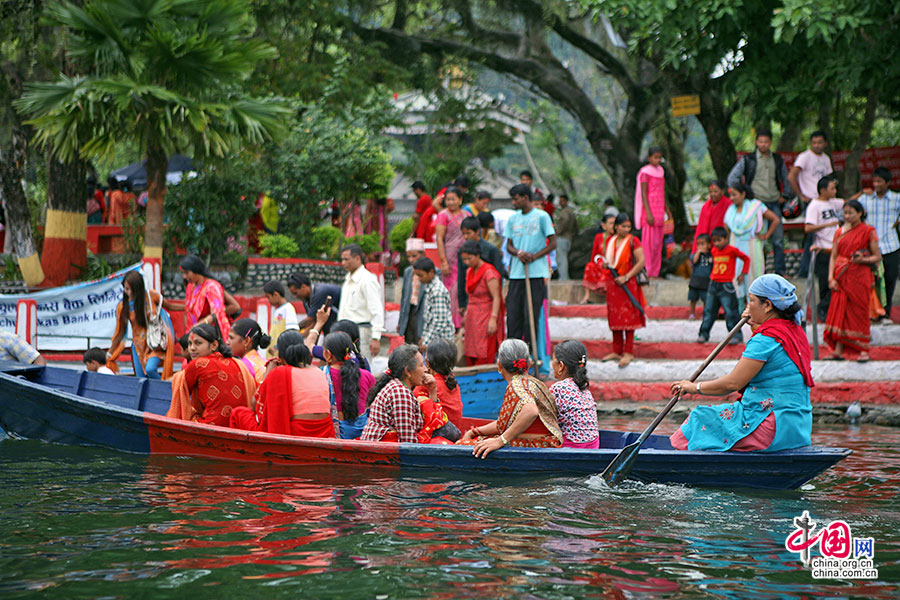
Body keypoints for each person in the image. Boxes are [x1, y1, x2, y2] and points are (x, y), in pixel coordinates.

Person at [670, 275, 813, 452]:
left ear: (767, 305)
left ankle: (670, 461)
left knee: (699, 417)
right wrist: (755, 321)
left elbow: (732, 383)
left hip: (769, 428)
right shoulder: (795, 330)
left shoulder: (765, 339)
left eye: (751, 301)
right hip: (799, 428)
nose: (747, 307)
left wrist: (693, 387)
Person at [458, 339, 563, 457]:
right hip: (549, 442)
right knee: (480, 439)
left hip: (540, 445)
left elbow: (531, 410)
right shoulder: (534, 382)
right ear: (528, 363)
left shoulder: (516, 385)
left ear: (499, 364)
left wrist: (500, 441)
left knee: (461, 444)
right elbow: (505, 423)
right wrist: (475, 432)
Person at [230, 335, 335, 438]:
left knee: (238, 413)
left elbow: (254, 405)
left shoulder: (279, 373)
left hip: (295, 435)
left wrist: (267, 374)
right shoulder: (318, 371)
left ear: (279, 356)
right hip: (324, 433)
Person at [727, 129, 795, 275]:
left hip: (773, 201)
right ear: (756, 142)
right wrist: (746, 194)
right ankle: (759, 271)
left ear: (771, 143)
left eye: (766, 142)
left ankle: (780, 271)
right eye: (760, 141)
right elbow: (732, 178)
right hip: (755, 205)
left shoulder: (777, 159)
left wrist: (786, 195)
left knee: (778, 239)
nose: (763, 144)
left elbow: (785, 177)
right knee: (757, 240)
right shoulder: (748, 160)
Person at [824, 200, 882, 362]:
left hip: (859, 276)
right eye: (845, 213)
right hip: (840, 275)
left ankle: (863, 350)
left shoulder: (868, 231)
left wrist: (863, 259)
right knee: (840, 311)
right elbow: (834, 256)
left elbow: (877, 256)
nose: (847, 216)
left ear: (860, 213)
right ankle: (838, 350)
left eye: (851, 213)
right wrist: (830, 277)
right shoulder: (839, 231)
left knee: (860, 312)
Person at [505, 183, 556, 352]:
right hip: (516, 274)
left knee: (530, 319)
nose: (514, 202)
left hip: (536, 273)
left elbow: (552, 243)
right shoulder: (513, 219)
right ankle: (512, 357)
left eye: (516, 199)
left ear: (525, 198)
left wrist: (534, 256)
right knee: (513, 318)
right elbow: (509, 245)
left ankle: (530, 357)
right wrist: (519, 253)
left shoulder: (542, 216)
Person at [180, 323, 256, 427]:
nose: (192, 348)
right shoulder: (236, 362)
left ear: (214, 345)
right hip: (238, 424)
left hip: (210, 426)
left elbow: (182, 389)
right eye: (189, 343)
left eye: (198, 343)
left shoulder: (198, 364)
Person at [360, 344, 437, 443]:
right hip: (381, 453)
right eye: (421, 365)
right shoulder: (400, 393)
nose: (426, 369)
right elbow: (408, 442)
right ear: (408, 371)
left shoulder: (401, 388)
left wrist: (432, 390)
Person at [107, 270, 175, 379]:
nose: (125, 292)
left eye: (128, 289)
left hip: (154, 342)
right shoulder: (123, 307)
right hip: (138, 346)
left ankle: (166, 389)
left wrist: (187, 307)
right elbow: (120, 332)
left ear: (137, 288)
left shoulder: (150, 296)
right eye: (124, 288)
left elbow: (169, 306)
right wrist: (109, 354)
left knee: (150, 369)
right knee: (141, 378)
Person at [852, 166, 900, 320]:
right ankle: (872, 312)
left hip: (891, 245)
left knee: (890, 280)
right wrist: (860, 193)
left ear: (887, 183)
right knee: (870, 281)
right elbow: (847, 209)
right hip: (870, 247)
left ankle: (885, 312)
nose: (876, 185)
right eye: (874, 181)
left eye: (879, 182)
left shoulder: (896, 198)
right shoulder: (865, 199)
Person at [600, 213, 647, 368]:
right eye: (623, 226)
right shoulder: (611, 240)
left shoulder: (634, 241)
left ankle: (628, 352)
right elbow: (608, 260)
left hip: (628, 283)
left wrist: (626, 277)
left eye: (628, 226)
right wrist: (606, 265)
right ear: (616, 227)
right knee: (615, 317)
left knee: (629, 318)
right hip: (613, 284)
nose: (626, 229)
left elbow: (641, 262)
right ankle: (616, 350)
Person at [723, 183, 778, 303]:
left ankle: (754, 307)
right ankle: (740, 309)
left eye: (734, 194)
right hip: (735, 245)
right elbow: (726, 228)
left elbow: (775, 219)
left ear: (743, 194)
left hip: (752, 245)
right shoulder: (730, 210)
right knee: (736, 276)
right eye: (730, 195)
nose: (731, 198)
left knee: (753, 275)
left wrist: (766, 235)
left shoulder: (755, 206)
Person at [164, 255, 234, 340]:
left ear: (196, 269)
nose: (184, 277)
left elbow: (216, 313)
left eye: (186, 273)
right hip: (194, 335)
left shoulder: (212, 287)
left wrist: (200, 324)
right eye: (182, 273)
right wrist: (168, 305)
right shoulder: (190, 286)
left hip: (208, 337)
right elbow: (188, 309)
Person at [697, 227, 749, 344]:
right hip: (713, 284)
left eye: (719, 240)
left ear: (726, 239)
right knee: (708, 311)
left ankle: (736, 336)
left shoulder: (732, 250)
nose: (716, 243)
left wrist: (743, 273)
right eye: (714, 241)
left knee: (730, 312)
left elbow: (746, 258)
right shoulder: (713, 251)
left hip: (726, 285)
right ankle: (703, 334)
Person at [804, 175, 844, 321]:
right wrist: (827, 225)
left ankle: (831, 311)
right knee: (825, 284)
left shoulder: (833, 202)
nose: (835, 191)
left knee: (839, 281)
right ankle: (823, 311)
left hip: (838, 249)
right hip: (824, 250)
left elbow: (849, 202)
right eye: (832, 188)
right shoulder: (814, 205)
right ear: (823, 190)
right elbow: (808, 228)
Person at [322, 331, 375, 438]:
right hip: (363, 437)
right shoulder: (367, 376)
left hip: (333, 438)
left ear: (328, 354)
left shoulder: (321, 376)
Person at [460, 240, 505, 366]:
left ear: (478, 255)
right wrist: (466, 314)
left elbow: (496, 297)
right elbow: (470, 296)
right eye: (464, 259)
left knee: (484, 350)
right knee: (470, 350)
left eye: (469, 259)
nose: (467, 262)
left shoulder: (489, 272)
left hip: (486, 315)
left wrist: (493, 319)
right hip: (472, 317)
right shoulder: (469, 271)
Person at [337, 244, 385, 360]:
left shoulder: (367, 280)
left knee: (362, 367)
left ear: (357, 258)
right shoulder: (348, 279)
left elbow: (377, 310)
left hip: (361, 331)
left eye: (346, 259)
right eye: (342, 259)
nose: (343, 263)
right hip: (344, 331)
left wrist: (376, 337)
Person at [549, 340, 599, 449]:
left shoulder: (558, 388)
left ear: (561, 366)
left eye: (553, 360)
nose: (552, 364)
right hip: (593, 446)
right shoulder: (584, 388)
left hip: (571, 447)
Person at [634, 146, 672, 278]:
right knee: (648, 244)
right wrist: (648, 213)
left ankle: (655, 271)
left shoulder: (661, 171)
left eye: (659, 157)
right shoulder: (645, 172)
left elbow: (663, 192)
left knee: (658, 244)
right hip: (649, 212)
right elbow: (644, 194)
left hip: (659, 211)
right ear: (649, 158)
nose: (658, 160)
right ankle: (648, 271)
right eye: (655, 157)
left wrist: (667, 210)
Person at [457, 216, 506, 314]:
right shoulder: (461, 252)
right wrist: (461, 303)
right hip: (470, 298)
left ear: (477, 231)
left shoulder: (491, 250)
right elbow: (461, 277)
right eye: (463, 234)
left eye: (468, 233)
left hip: (488, 297)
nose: (466, 237)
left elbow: (498, 276)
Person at [435, 186, 468, 327]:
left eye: (453, 199)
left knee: (463, 287)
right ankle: (452, 324)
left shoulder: (467, 215)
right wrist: (443, 261)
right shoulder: (443, 215)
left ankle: (463, 321)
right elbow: (439, 239)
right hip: (449, 257)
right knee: (451, 292)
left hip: (465, 257)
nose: (451, 202)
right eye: (448, 199)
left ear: (460, 200)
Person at [413, 338, 463, 430]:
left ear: (427, 362)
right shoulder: (453, 383)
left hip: (437, 436)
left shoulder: (426, 384)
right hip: (454, 434)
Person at [413, 257, 455, 349]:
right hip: (434, 340)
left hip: (442, 342)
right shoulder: (429, 287)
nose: (419, 279)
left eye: (421, 275)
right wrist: (424, 337)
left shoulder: (437, 291)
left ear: (431, 272)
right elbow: (429, 319)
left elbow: (439, 322)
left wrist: (426, 342)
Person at [398, 238, 428, 344]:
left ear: (423, 254)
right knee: (409, 343)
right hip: (410, 310)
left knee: (421, 341)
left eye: (414, 256)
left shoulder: (431, 271)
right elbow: (404, 297)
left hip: (423, 312)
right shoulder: (408, 272)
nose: (411, 259)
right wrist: (400, 321)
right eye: (409, 256)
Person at [580, 213, 615, 304]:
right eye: (611, 223)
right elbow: (594, 255)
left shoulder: (616, 238)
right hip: (599, 263)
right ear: (603, 226)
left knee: (608, 271)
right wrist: (598, 264)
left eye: (615, 224)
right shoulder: (598, 237)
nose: (613, 226)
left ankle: (609, 297)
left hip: (611, 265)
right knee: (589, 266)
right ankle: (587, 296)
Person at [691, 180, 731, 253]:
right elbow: (700, 227)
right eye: (710, 192)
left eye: (715, 191)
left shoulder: (729, 205)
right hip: (706, 243)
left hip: (721, 241)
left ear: (722, 191)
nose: (713, 194)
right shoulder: (705, 206)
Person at [227, 318, 270, 384]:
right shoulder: (265, 362)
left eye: (231, 338)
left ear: (247, 341)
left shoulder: (242, 366)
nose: (227, 342)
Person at [263, 280, 299, 358]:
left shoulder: (288, 308)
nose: (268, 301)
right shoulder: (278, 310)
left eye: (268, 297)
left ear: (275, 294)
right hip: (274, 356)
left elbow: (292, 332)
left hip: (281, 355)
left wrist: (276, 347)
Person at [689, 234, 713, 320]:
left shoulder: (711, 255)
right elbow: (694, 261)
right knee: (693, 298)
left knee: (705, 299)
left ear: (709, 245)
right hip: (695, 280)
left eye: (703, 244)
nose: (700, 246)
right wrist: (698, 252)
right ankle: (692, 313)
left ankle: (705, 314)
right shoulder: (695, 255)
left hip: (706, 281)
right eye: (698, 244)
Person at [554, 194, 577, 280]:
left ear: (566, 201)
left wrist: (558, 232)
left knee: (562, 259)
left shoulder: (565, 212)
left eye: (562, 201)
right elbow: (576, 226)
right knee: (563, 258)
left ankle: (563, 278)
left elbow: (565, 221)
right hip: (569, 238)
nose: (561, 203)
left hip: (562, 238)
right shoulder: (571, 212)